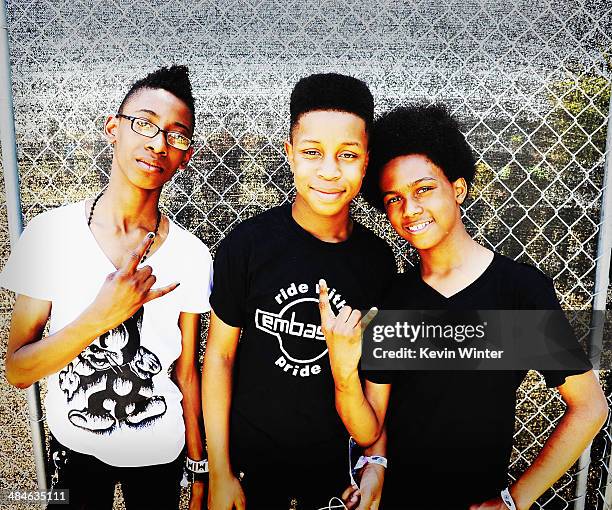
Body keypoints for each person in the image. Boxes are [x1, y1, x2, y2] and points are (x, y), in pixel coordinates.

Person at [319, 104, 608, 510]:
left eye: (423, 190)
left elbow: (589, 407)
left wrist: (514, 501)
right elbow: (371, 429)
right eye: (394, 199)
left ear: (457, 188)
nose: (411, 210)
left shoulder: (518, 292)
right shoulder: (393, 299)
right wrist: (344, 372)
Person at [1, 65, 211, 510]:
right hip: (73, 449)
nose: (158, 143)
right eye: (145, 123)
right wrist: (102, 315)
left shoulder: (193, 255)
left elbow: (186, 373)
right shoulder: (50, 235)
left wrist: (198, 469)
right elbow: (18, 371)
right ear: (113, 128)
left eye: (177, 135)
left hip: (160, 452)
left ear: (186, 155)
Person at [202, 73, 396, 510]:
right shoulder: (247, 246)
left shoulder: (378, 263)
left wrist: (375, 460)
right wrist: (220, 472)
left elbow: (377, 381)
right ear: (290, 155)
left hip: (334, 478)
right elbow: (220, 356)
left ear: (366, 163)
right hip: (251, 469)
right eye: (312, 153)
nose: (329, 171)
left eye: (347, 155)